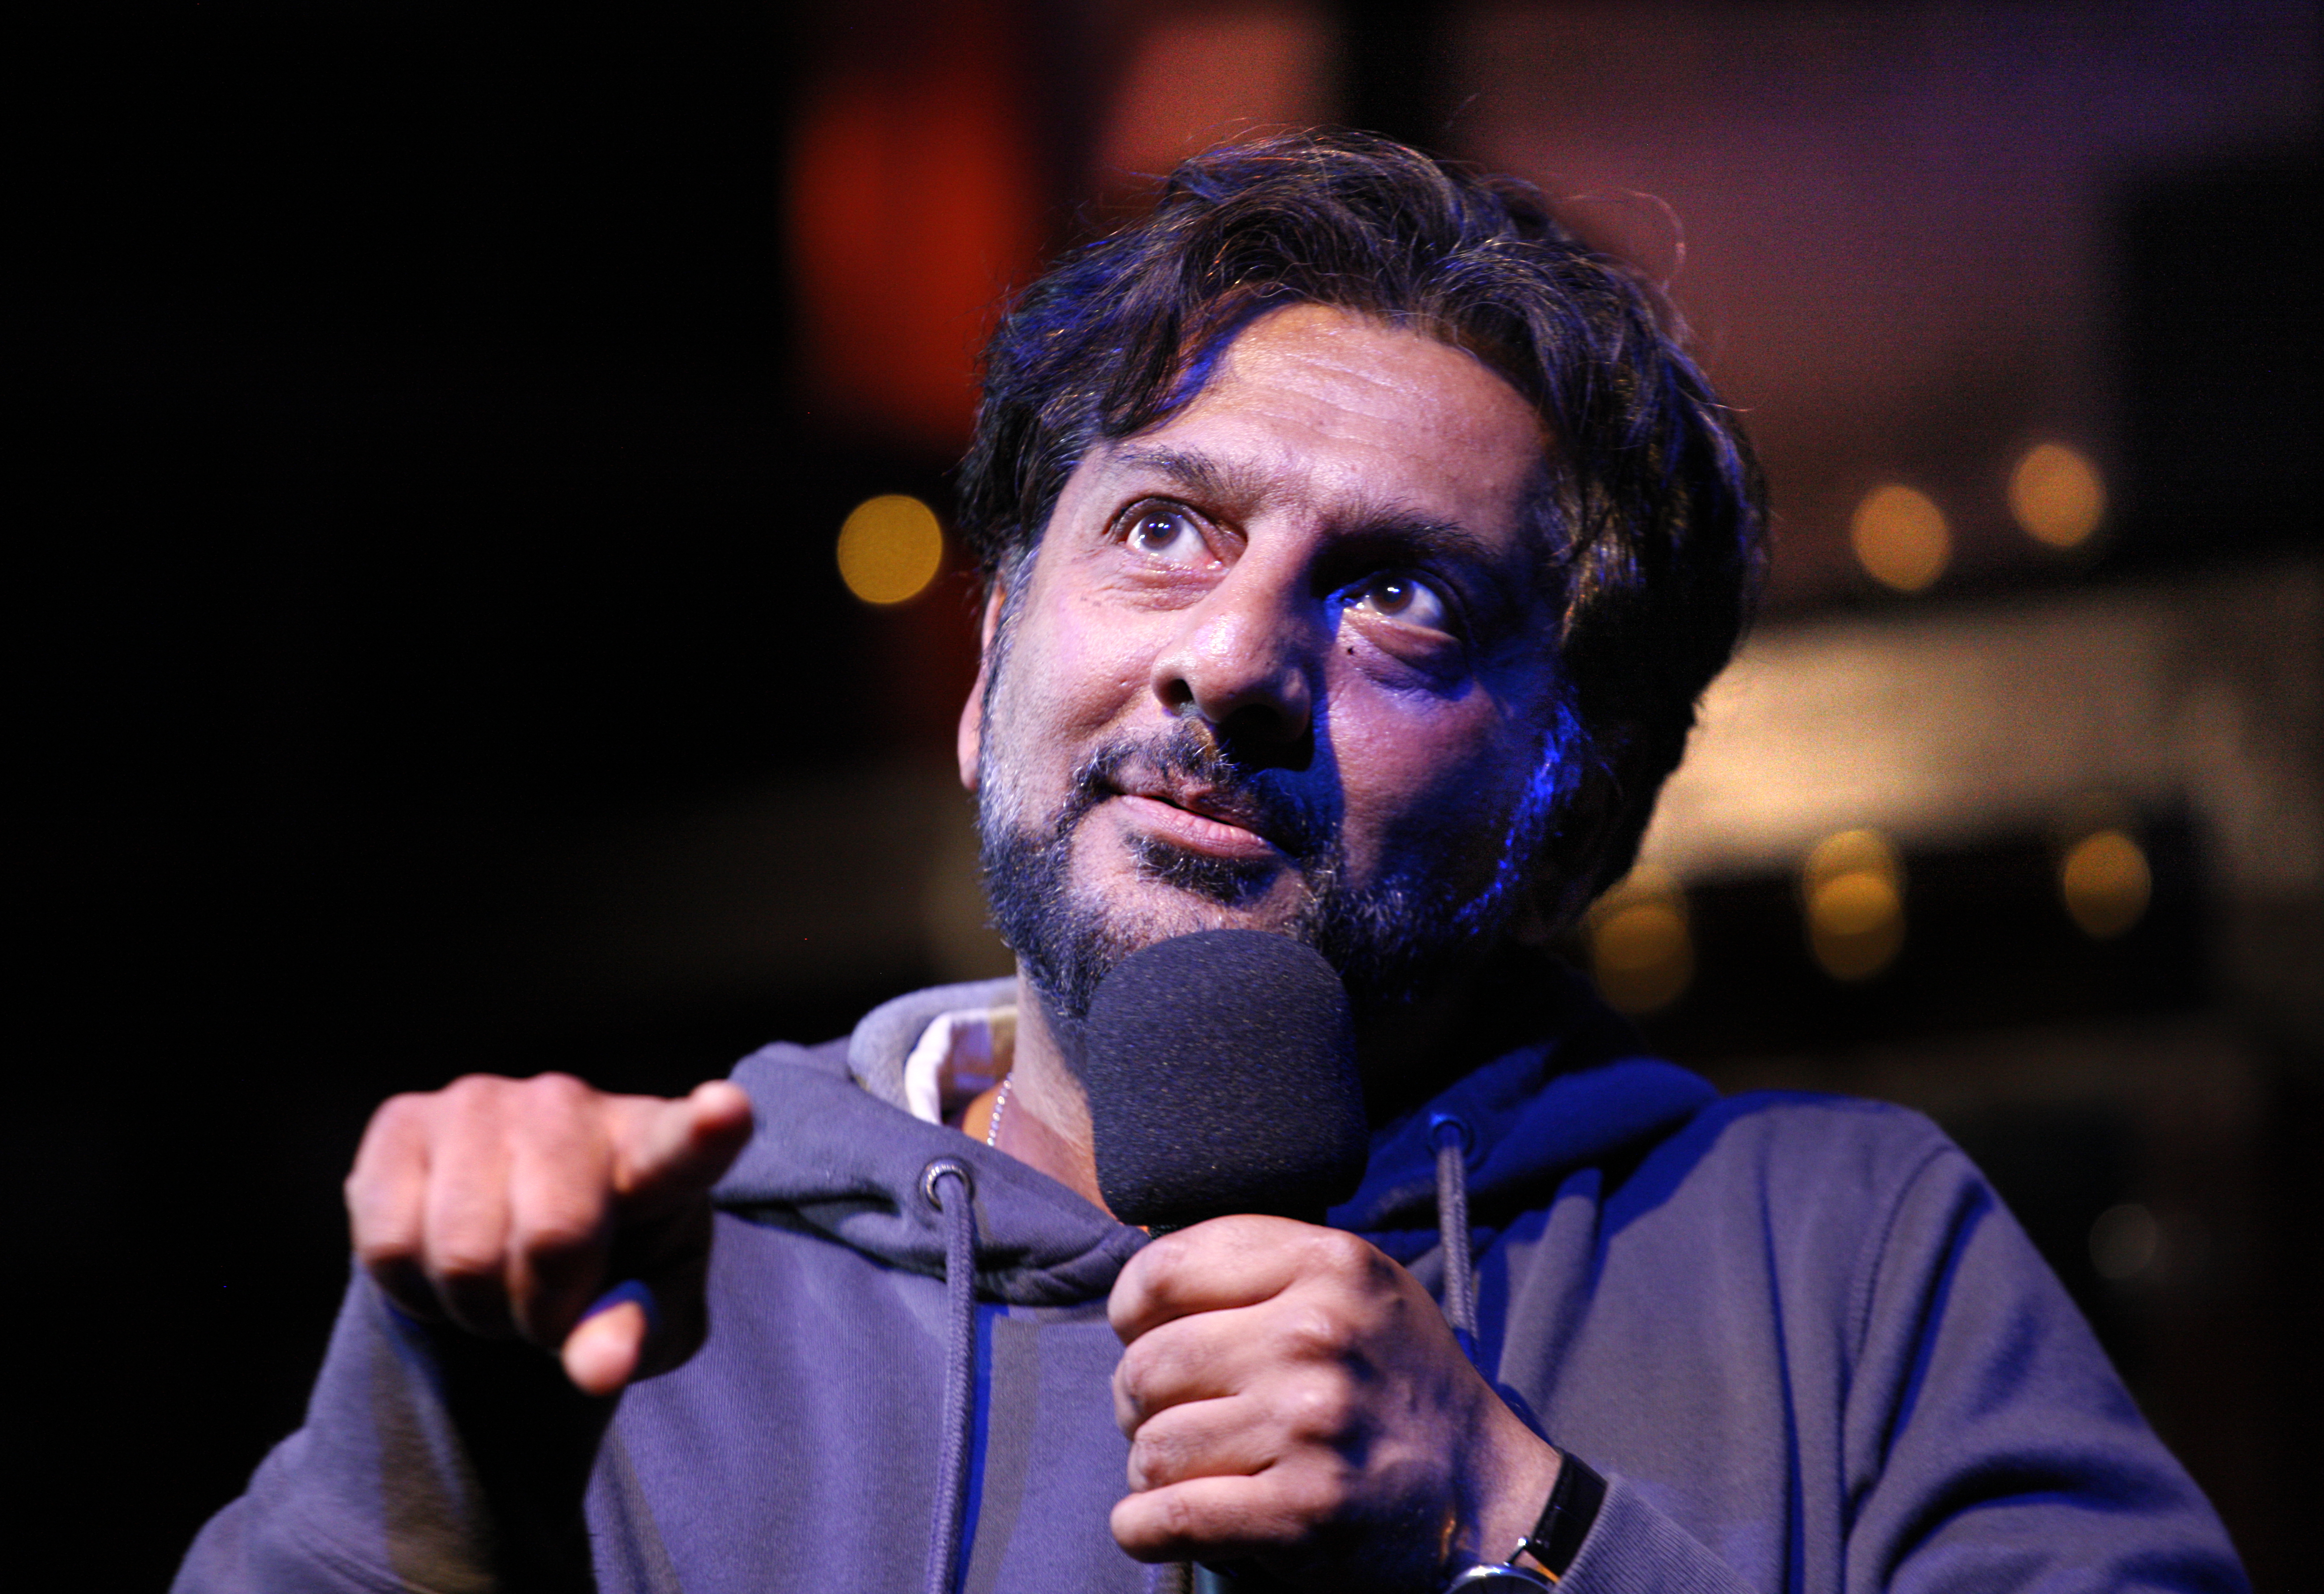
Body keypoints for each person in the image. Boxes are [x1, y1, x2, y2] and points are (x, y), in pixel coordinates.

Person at [176, 133, 2245, 1593]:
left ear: (1579, 798)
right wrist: (434, 1468)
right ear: (993, 671)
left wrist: (1509, 1527)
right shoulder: (661, 1286)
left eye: (1402, 597)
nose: (1237, 657)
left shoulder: (1850, 1264)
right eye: (1166, 526)